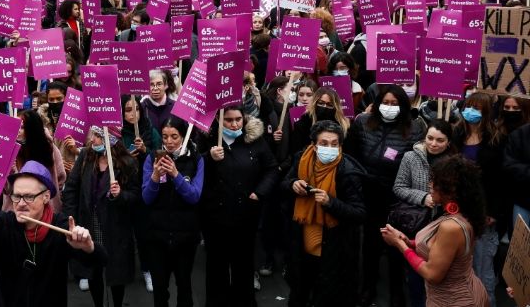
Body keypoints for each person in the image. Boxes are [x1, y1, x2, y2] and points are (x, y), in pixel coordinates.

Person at [0, 161, 107, 307]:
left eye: (28, 197)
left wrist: (88, 247)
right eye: (17, 196)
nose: (20, 203)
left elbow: (100, 260)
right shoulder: (3, 222)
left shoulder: (60, 226)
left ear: (46, 197)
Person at [348, 84, 425, 307]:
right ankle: (368, 288)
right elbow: (352, 155)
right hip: (368, 194)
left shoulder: (415, 128)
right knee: (370, 245)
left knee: (396, 246)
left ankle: (396, 292)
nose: (389, 107)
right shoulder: (362, 122)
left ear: (403, 106)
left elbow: (415, 164)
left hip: (397, 196)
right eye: (385, 103)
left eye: (394, 104)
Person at [381, 155, 490, 307]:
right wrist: (409, 242)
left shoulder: (451, 227)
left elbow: (432, 274)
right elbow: (440, 248)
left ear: (450, 190)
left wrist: (400, 244)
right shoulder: (461, 213)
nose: (430, 185)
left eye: (435, 182)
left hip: (455, 301)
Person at [282, 120, 367, 307]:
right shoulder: (301, 159)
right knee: (300, 289)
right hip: (302, 242)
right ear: (313, 145)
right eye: (324, 144)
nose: (329, 148)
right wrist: (292, 184)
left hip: (333, 247)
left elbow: (359, 212)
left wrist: (331, 203)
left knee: (327, 294)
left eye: (334, 144)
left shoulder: (348, 172)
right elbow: (284, 182)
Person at [201, 105, 278, 306]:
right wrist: (209, 158)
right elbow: (194, 170)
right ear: (218, 120)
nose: (234, 124)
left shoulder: (254, 140)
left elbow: (271, 168)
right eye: (228, 120)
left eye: (238, 119)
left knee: (243, 264)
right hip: (215, 216)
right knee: (217, 265)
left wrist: (259, 192)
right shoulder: (207, 140)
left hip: (245, 214)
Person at [63, 127, 139, 307]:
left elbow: (136, 196)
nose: (92, 140)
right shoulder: (86, 158)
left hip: (115, 227)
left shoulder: (127, 163)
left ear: (110, 138)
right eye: (93, 135)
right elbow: (72, 188)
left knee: (116, 272)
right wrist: (70, 217)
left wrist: (120, 195)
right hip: (90, 222)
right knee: (92, 268)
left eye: (98, 136)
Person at [393, 120, 456, 307]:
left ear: (448, 143)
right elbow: (399, 187)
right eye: (430, 138)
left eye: (440, 140)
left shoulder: (455, 163)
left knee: (440, 275)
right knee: (416, 276)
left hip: (443, 225)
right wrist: (423, 197)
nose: (433, 144)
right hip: (417, 224)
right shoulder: (410, 158)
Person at [142, 116, 204, 307]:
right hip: (157, 236)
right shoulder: (152, 158)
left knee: (184, 287)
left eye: (174, 137)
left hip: (185, 236)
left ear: (184, 136)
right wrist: (154, 177)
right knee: (160, 290)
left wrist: (176, 175)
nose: (169, 142)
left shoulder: (196, 159)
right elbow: (146, 198)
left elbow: (194, 196)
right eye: (165, 136)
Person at [453, 92, 508, 307]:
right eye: (468, 106)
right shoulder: (457, 133)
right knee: (459, 265)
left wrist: (493, 211)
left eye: (476, 108)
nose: (470, 112)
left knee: (483, 266)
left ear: (486, 113)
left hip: (484, 210)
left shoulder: (496, 139)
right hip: (456, 209)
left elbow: (501, 181)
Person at [141, 69, 177, 136]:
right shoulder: (141, 108)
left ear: (166, 85)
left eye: (159, 84)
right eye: (151, 84)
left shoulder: (176, 107)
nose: (155, 88)